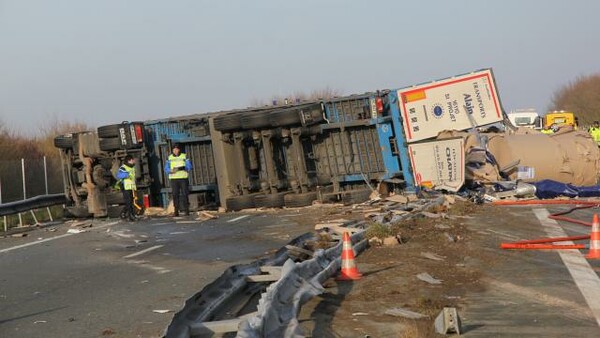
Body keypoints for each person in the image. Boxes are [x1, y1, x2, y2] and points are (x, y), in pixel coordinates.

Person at [164, 144, 192, 216]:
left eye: (177, 149)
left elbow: (189, 167)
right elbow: (166, 169)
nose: (175, 151)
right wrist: (170, 170)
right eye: (174, 149)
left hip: (183, 178)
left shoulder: (184, 156)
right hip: (174, 179)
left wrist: (183, 168)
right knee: (175, 195)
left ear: (179, 150)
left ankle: (186, 210)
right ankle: (176, 211)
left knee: (185, 194)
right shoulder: (169, 157)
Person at [116, 155, 137, 221]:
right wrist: (126, 175)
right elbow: (119, 175)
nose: (134, 161)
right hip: (125, 186)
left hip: (131, 187)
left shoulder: (132, 167)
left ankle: (123, 213)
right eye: (132, 159)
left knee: (130, 202)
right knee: (129, 202)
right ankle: (131, 216)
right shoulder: (123, 167)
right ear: (129, 160)